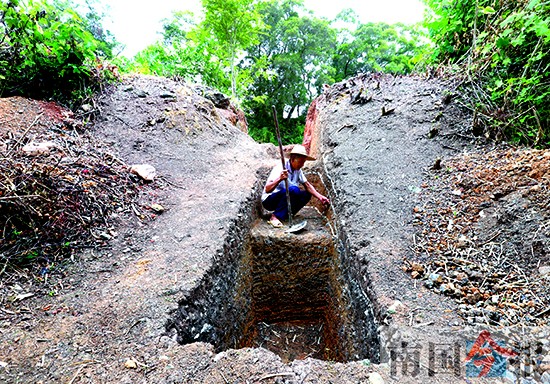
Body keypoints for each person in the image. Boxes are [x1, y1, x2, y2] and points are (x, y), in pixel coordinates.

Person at [261, 144, 330, 228]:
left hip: (285, 198)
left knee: (306, 194)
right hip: (270, 201)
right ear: (293, 159)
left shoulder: (298, 170)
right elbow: (267, 189)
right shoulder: (280, 168)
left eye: (303, 162)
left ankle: (287, 214)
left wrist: (320, 197)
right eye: (301, 162)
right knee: (294, 190)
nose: (302, 165)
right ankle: (275, 216)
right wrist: (280, 178)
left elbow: (307, 185)